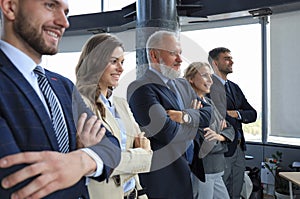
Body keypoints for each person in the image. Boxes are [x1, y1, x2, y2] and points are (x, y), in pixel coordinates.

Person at [0, 1, 121, 199]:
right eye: (50, 5)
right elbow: (18, 184)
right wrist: (86, 160)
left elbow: (112, 146)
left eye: (66, 12)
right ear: (10, 6)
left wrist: (81, 160)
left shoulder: (62, 85)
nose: (64, 22)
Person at [127, 30, 211, 199]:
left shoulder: (183, 84)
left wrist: (185, 117)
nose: (180, 60)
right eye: (173, 54)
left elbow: (209, 114)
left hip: (188, 170)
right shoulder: (141, 88)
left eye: (180, 53)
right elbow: (167, 133)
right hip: (163, 180)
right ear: (154, 55)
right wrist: (196, 122)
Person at [75, 33, 153, 199]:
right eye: (114, 61)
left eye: (122, 62)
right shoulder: (80, 103)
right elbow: (99, 161)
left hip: (134, 193)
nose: (121, 68)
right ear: (95, 62)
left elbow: (143, 144)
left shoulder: (121, 104)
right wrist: (142, 156)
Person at [208, 47, 257, 199]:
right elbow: (217, 117)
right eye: (227, 58)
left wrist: (236, 113)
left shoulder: (234, 87)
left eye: (231, 58)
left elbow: (252, 114)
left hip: (239, 149)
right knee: (220, 193)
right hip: (221, 149)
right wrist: (231, 115)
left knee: (236, 190)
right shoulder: (207, 86)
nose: (231, 61)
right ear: (215, 63)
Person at [182, 62, 234, 199]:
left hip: (217, 169)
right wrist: (222, 139)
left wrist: (220, 137)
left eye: (210, 76)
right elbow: (203, 143)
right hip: (204, 170)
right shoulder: (190, 105)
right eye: (205, 76)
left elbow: (230, 128)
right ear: (191, 79)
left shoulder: (209, 103)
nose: (210, 81)